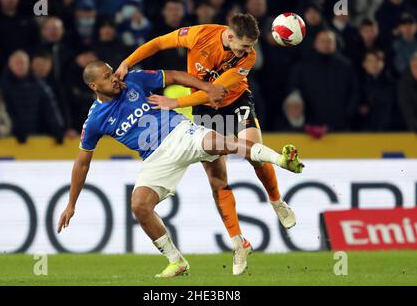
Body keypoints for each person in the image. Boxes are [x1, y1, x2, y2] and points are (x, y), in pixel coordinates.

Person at [57, 61, 304, 278]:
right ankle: (176, 261)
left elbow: (173, 76)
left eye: (112, 72)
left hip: (179, 132)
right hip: (154, 158)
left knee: (221, 144)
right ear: (94, 86)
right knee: (139, 205)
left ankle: (280, 160)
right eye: (107, 77)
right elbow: (82, 163)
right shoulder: (94, 121)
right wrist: (71, 203)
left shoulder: (133, 80)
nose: (114, 78)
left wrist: (207, 88)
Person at [115, 13, 299, 275]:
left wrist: (176, 103)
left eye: (251, 46)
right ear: (231, 35)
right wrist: (126, 63)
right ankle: (239, 243)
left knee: (254, 155)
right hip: (205, 110)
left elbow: (218, 90)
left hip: (234, 102)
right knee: (217, 181)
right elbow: (157, 43)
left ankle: (278, 202)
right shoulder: (199, 35)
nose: (249, 51)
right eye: (244, 45)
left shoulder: (248, 57)